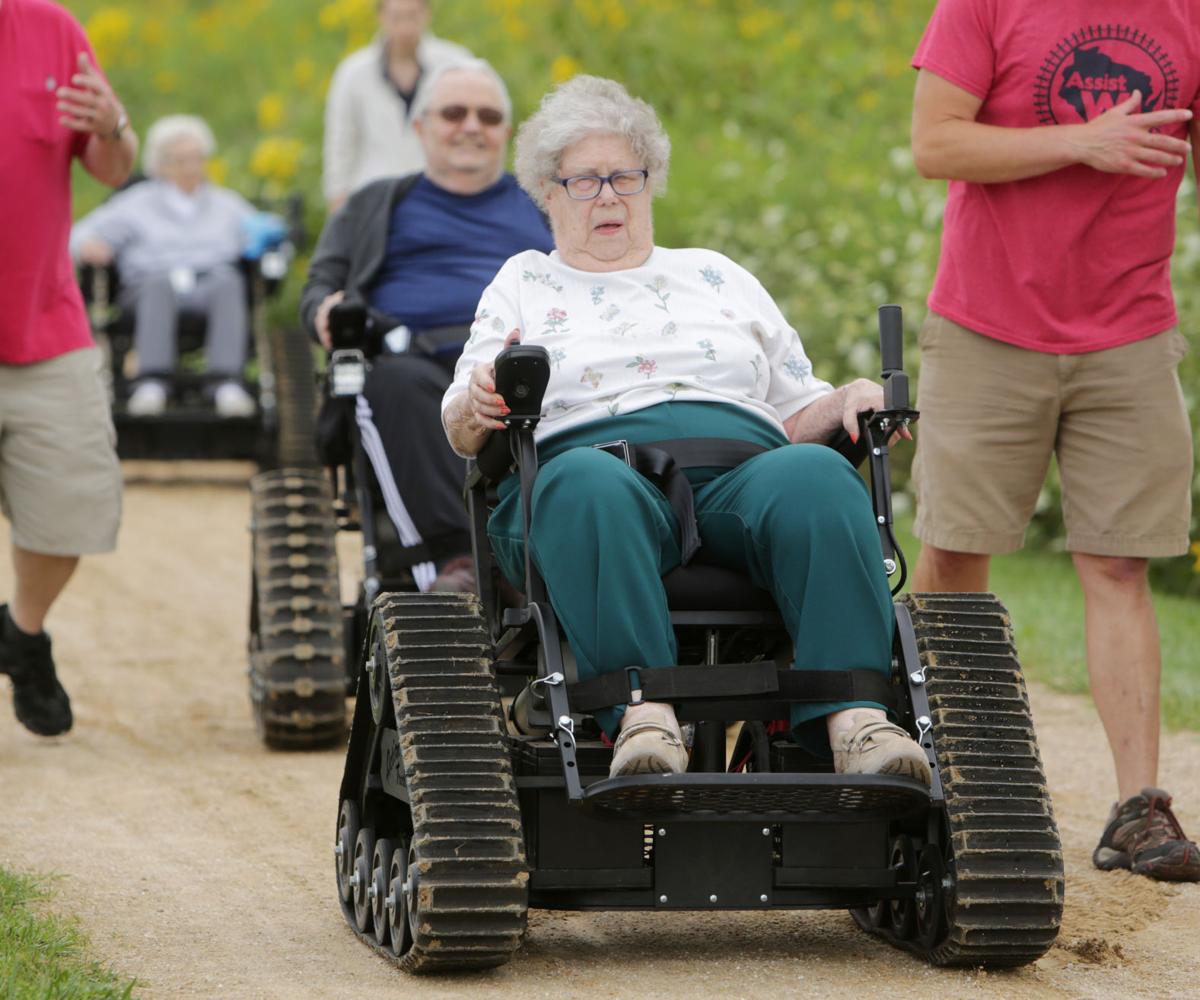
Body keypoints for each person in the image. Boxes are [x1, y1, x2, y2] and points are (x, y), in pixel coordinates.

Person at [442, 75, 931, 783]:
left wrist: (849, 396)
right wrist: (476, 404)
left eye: (625, 177)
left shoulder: (715, 274)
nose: (608, 195)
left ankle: (855, 720)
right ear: (548, 194)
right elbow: (462, 418)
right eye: (584, 181)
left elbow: (797, 410)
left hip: (741, 469)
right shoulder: (524, 281)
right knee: (584, 485)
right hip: (596, 467)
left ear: (650, 184)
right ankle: (644, 716)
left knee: (820, 475)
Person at [909, 0, 1200, 881]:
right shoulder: (985, 4)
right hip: (987, 326)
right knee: (956, 553)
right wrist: (1082, 142)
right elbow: (937, 145)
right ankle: (943, 771)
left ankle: (1138, 809)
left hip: (1130, 330)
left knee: (1120, 562)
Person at [302, 58, 553, 592]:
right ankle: (458, 560)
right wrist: (326, 310)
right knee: (392, 383)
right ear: (421, 127)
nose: (471, 125)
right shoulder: (375, 203)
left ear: (506, 132)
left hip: (514, 361)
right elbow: (320, 286)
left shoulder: (545, 206)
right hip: (409, 358)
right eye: (454, 112)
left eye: (487, 116)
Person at [0, 0, 136, 736]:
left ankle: (21, 632)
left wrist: (113, 123)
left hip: (43, 329)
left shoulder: (51, 30)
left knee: (70, 515)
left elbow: (113, 168)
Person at [71, 114, 260, 418]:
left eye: (196, 158)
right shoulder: (136, 202)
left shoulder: (227, 204)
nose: (190, 167)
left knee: (229, 283)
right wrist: (89, 245)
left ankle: (227, 383)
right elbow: (81, 234)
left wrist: (268, 238)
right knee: (158, 286)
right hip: (148, 286)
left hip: (210, 283)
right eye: (179, 160)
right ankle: (151, 382)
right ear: (160, 164)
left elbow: (261, 231)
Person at [323, 0, 472, 212]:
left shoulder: (457, 63)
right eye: (397, 17)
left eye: (412, 16)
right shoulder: (352, 72)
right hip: (372, 200)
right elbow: (340, 143)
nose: (405, 28)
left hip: (441, 195)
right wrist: (337, 201)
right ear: (381, 16)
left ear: (427, 14)